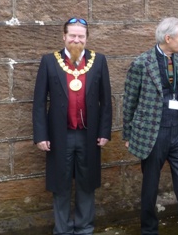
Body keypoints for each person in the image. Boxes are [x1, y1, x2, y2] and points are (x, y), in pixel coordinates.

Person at [32, 17, 112, 235]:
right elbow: (39, 101)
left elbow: (106, 100)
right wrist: (41, 135)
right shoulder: (49, 61)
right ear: (64, 37)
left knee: (87, 184)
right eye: (73, 36)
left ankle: (85, 228)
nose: (77, 40)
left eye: (81, 36)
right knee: (61, 185)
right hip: (60, 136)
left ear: (86, 38)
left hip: (89, 135)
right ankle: (63, 230)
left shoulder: (99, 61)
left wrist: (105, 131)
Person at [122, 17, 178, 235]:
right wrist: (128, 133)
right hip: (152, 135)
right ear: (168, 38)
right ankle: (149, 230)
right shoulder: (141, 63)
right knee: (150, 186)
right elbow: (129, 101)